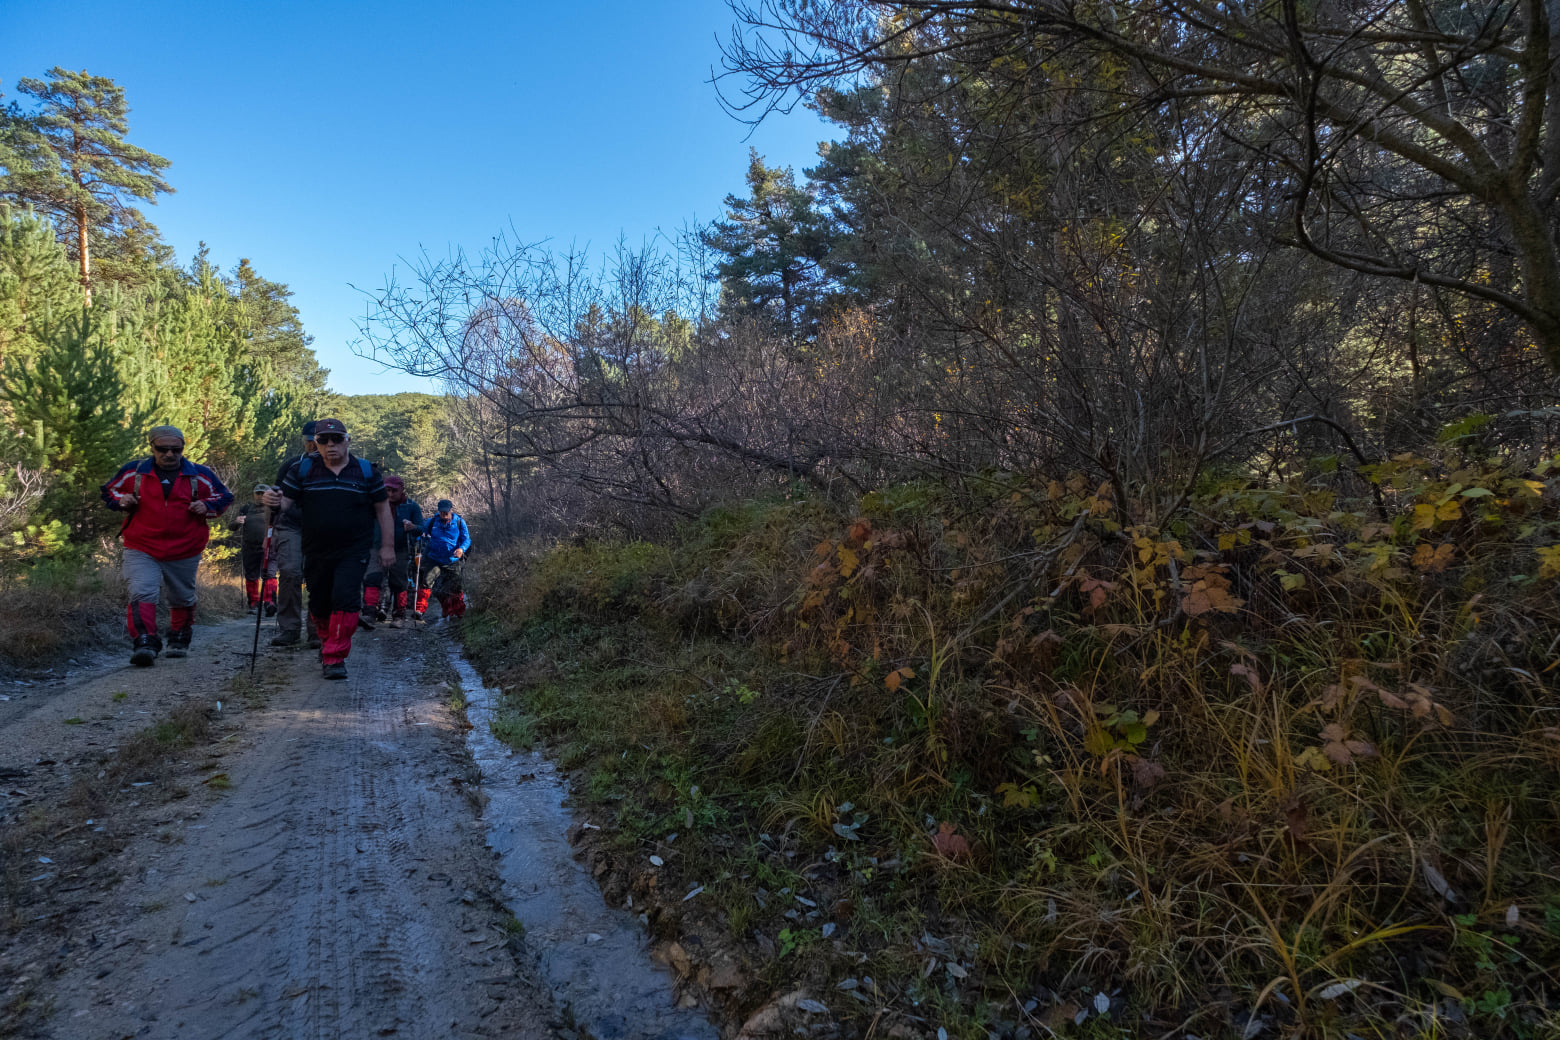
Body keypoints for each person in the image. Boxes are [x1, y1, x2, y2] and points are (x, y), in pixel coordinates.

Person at [267, 418, 394, 679]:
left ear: (347, 441)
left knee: (345, 599)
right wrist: (273, 501)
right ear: (315, 443)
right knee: (320, 602)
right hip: (315, 548)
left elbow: (383, 510)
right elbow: (285, 505)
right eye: (323, 440)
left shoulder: (367, 471)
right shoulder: (303, 470)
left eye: (336, 439)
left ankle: (335, 656)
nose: (330, 445)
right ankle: (327, 642)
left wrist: (387, 547)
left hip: (354, 548)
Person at [100, 425, 234, 666]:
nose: (170, 454)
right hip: (142, 545)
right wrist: (123, 501)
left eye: (176, 449)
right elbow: (109, 492)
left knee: (181, 596)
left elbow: (223, 496)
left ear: (183, 448)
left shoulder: (199, 475)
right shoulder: (134, 472)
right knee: (142, 591)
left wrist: (207, 506)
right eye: (162, 449)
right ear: (152, 447)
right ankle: (145, 642)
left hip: (185, 547)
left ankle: (179, 639)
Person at [269, 421, 318, 648]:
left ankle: (317, 629)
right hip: (290, 526)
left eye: (316, 440)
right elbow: (277, 499)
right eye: (309, 440)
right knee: (289, 573)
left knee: (319, 578)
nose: (312, 445)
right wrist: (267, 533)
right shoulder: (291, 465)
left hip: (322, 529)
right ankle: (289, 628)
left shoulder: (341, 467)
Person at [362, 474, 423, 625]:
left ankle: (399, 616)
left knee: (399, 582)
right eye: (387, 490)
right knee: (372, 579)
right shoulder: (375, 504)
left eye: (394, 490)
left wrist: (413, 527)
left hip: (400, 549)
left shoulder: (411, 506)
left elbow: (421, 529)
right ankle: (369, 614)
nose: (390, 494)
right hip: (376, 547)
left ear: (402, 489)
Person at [416, 499, 470, 622]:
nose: (444, 514)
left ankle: (459, 612)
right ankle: (419, 610)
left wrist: (461, 549)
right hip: (434, 558)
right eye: (441, 512)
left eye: (446, 512)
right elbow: (421, 532)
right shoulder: (432, 522)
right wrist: (415, 533)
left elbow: (467, 540)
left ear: (451, 510)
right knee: (427, 582)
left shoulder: (459, 523)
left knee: (456, 587)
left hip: (452, 560)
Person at [234, 484, 277, 615]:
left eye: (263, 493)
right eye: (258, 493)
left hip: (269, 546)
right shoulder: (246, 509)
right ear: (254, 494)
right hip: (250, 547)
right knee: (251, 575)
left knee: (269, 574)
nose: (260, 496)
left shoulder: (274, 509)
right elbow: (232, 527)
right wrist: (237, 522)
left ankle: (270, 602)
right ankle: (253, 603)